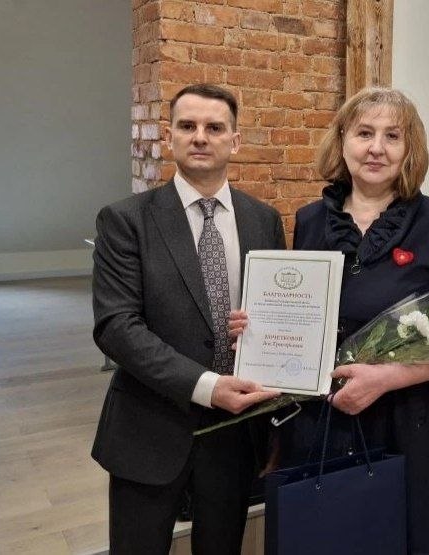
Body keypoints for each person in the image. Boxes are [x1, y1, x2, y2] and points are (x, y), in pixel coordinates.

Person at [230, 87, 429, 554]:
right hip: (323, 422)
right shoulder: (310, 220)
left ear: (410, 148)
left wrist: (384, 379)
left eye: (392, 136)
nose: (376, 148)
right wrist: (258, 329)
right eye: (364, 133)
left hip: (411, 423)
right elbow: (301, 314)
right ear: (342, 140)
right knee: (330, 538)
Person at [91, 84, 283, 554]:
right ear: (169, 137)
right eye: (187, 126)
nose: (200, 136)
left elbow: (274, 313)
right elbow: (117, 327)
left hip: (235, 431)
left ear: (235, 140)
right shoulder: (126, 220)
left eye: (214, 127)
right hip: (150, 428)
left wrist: (263, 332)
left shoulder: (264, 220)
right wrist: (206, 385)